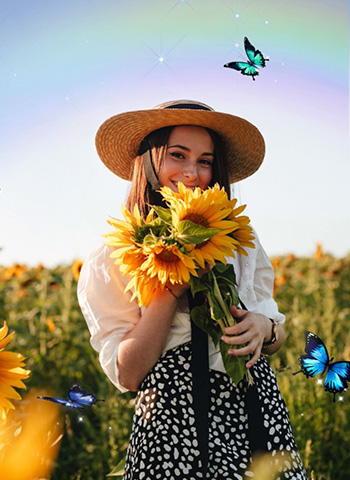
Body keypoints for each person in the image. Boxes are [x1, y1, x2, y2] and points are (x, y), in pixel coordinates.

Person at [78, 100, 307, 479]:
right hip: (173, 412)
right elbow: (129, 373)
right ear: (149, 162)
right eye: (178, 155)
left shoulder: (238, 241)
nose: (191, 172)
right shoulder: (114, 256)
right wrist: (170, 286)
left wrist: (263, 328)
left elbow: (276, 329)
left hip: (254, 401)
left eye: (205, 161)